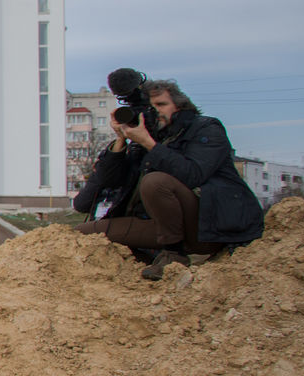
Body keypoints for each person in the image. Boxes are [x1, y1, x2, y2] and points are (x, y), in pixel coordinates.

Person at [77, 80, 263, 280]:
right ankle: (144, 257)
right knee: (81, 235)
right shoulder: (150, 138)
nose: (156, 112)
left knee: (155, 182)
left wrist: (149, 144)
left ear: (180, 105)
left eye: (161, 105)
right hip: (162, 228)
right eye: (150, 107)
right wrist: (121, 140)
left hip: (209, 228)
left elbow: (192, 174)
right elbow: (108, 182)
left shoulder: (206, 128)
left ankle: (174, 257)